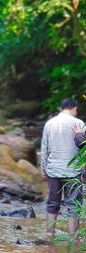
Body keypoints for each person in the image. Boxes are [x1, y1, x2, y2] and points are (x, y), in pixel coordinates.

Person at [41, 98, 85, 237]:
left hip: (53, 170)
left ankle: (49, 234)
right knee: (73, 205)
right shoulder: (79, 123)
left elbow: (44, 149)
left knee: (52, 203)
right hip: (73, 171)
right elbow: (84, 150)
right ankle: (74, 238)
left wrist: (43, 170)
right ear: (73, 108)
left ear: (61, 109)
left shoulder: (49, 124)